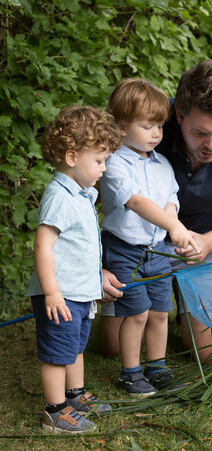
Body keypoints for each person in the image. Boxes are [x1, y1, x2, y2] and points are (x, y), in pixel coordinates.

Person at [99, 60, 212, 362]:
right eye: (200, 132)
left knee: (209, 353)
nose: (211, 144)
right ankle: (173, 303)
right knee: (113, 349)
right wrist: (96, 266)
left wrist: (208, 243)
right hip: (139, 246)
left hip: (208, 241)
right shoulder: (146, 124)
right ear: (178, 115)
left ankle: (186, 304)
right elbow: (88, 198)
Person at [99, 78, 200, 397]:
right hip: (125, 250)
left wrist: (172, 218)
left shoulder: (161, 164)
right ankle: (130, 373)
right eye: (147, 126)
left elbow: (170, 197)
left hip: (157, 249)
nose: (156, 133)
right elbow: (137, 202)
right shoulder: (114, 163)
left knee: (159, 311)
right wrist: (175, 226)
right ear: (121, 126)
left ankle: (157, 367)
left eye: (159, 126)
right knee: (136, 311)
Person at [27, 105, 122, 433]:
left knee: (74, 347)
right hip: (61, 294)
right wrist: (52, 292)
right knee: (56, 353)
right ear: (71, 157)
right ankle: (55, 412)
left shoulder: (81, 195)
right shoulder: (59, 197)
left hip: (79, 293)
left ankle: (75, 396)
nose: (104, 168)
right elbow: (43, 246)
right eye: (99, 161)